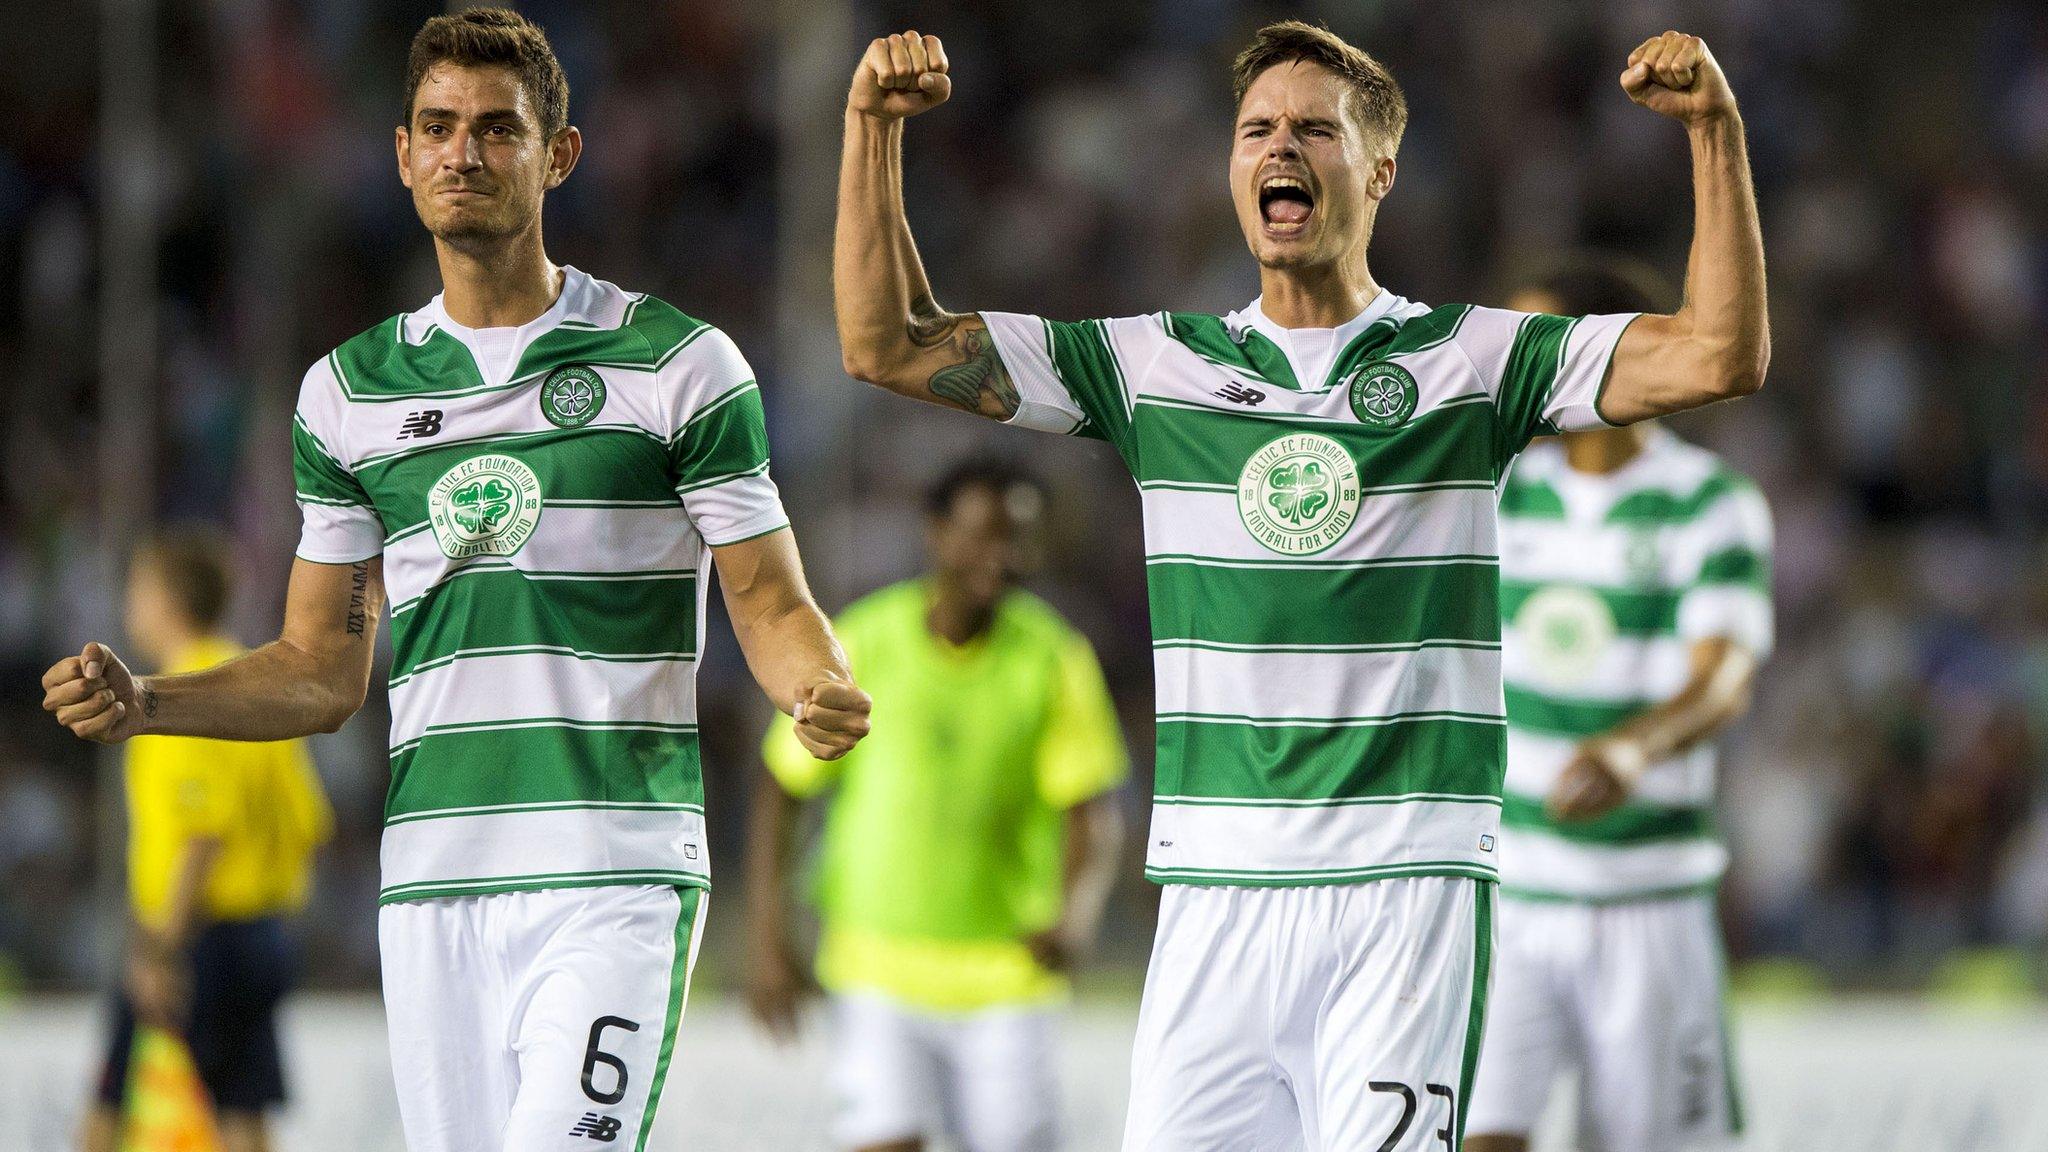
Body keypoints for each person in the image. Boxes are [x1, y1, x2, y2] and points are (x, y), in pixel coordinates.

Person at [834, 19, 1769, 1151]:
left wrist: (1714, 134)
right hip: (1213, 890)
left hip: (1403, 886)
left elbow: (1718, 354)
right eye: (1255, 130)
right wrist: (871, 132)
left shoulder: (1471, 363)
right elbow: (886, 342)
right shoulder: (1150, 366)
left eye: (1313, 130)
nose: (1279, 147)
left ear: (1376, 171)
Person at [40, 10, 871, 1151]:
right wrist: (152, 703)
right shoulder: (348, 395)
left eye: (495, 129)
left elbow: (768, 598)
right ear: (401, 153)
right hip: (433, 883)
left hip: (613, 870)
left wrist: (810, 684)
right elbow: (319, 670)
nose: (461, 154)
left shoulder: (677, 365)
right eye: (436, 127)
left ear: (558, 156)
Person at [1463, 258, 1772, 1152]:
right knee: (1479, 1135)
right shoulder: (1501, 491)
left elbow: (1722, 678)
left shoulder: (1708, 503)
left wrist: (1632, 751)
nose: (1510, 369)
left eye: (1533, 347)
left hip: (1648, 901)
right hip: (1511, 892)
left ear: (1598, 354)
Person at [745, 459, 1127, 1152]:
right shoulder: (862, 642)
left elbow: (1091, 810)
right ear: (936, 534)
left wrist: (1075, 916)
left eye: (1020, 539)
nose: (1002, 556)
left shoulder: (1053, 658)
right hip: (873, 963)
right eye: (984, 535)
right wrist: (768, 939)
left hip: (1008, 974)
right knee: (885, 1138)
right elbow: (783, 786)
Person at [83, 530, 333, 1152]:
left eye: (139, 588)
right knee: (242, 1113)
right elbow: (309, 821)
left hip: (196, 934)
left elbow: (202, 833)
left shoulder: (179, 692)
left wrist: (162, 948)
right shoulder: (250, 680)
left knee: (109, 1108)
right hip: (261, 929)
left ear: (168, 599)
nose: (130, 603)